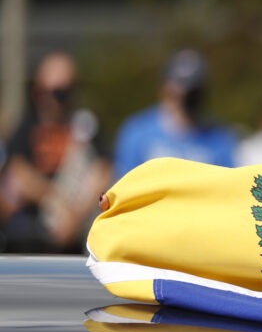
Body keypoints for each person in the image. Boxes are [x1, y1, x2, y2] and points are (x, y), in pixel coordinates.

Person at [0, 51, 111, 253]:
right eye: (47, 92)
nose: (53, 100)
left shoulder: (85, 125)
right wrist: (57, 203)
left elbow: (102, 172)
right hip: (35, 228)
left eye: (61, 93)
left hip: (79, 232)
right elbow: (19, 174)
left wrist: (75, 217)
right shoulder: (28, 126)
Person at [113, 49, 238, 180]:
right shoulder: (137, 132)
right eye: (176, 89)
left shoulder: (220, 139)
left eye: (191, 94)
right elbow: (124, 184)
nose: (183, 98)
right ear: (163, 87)